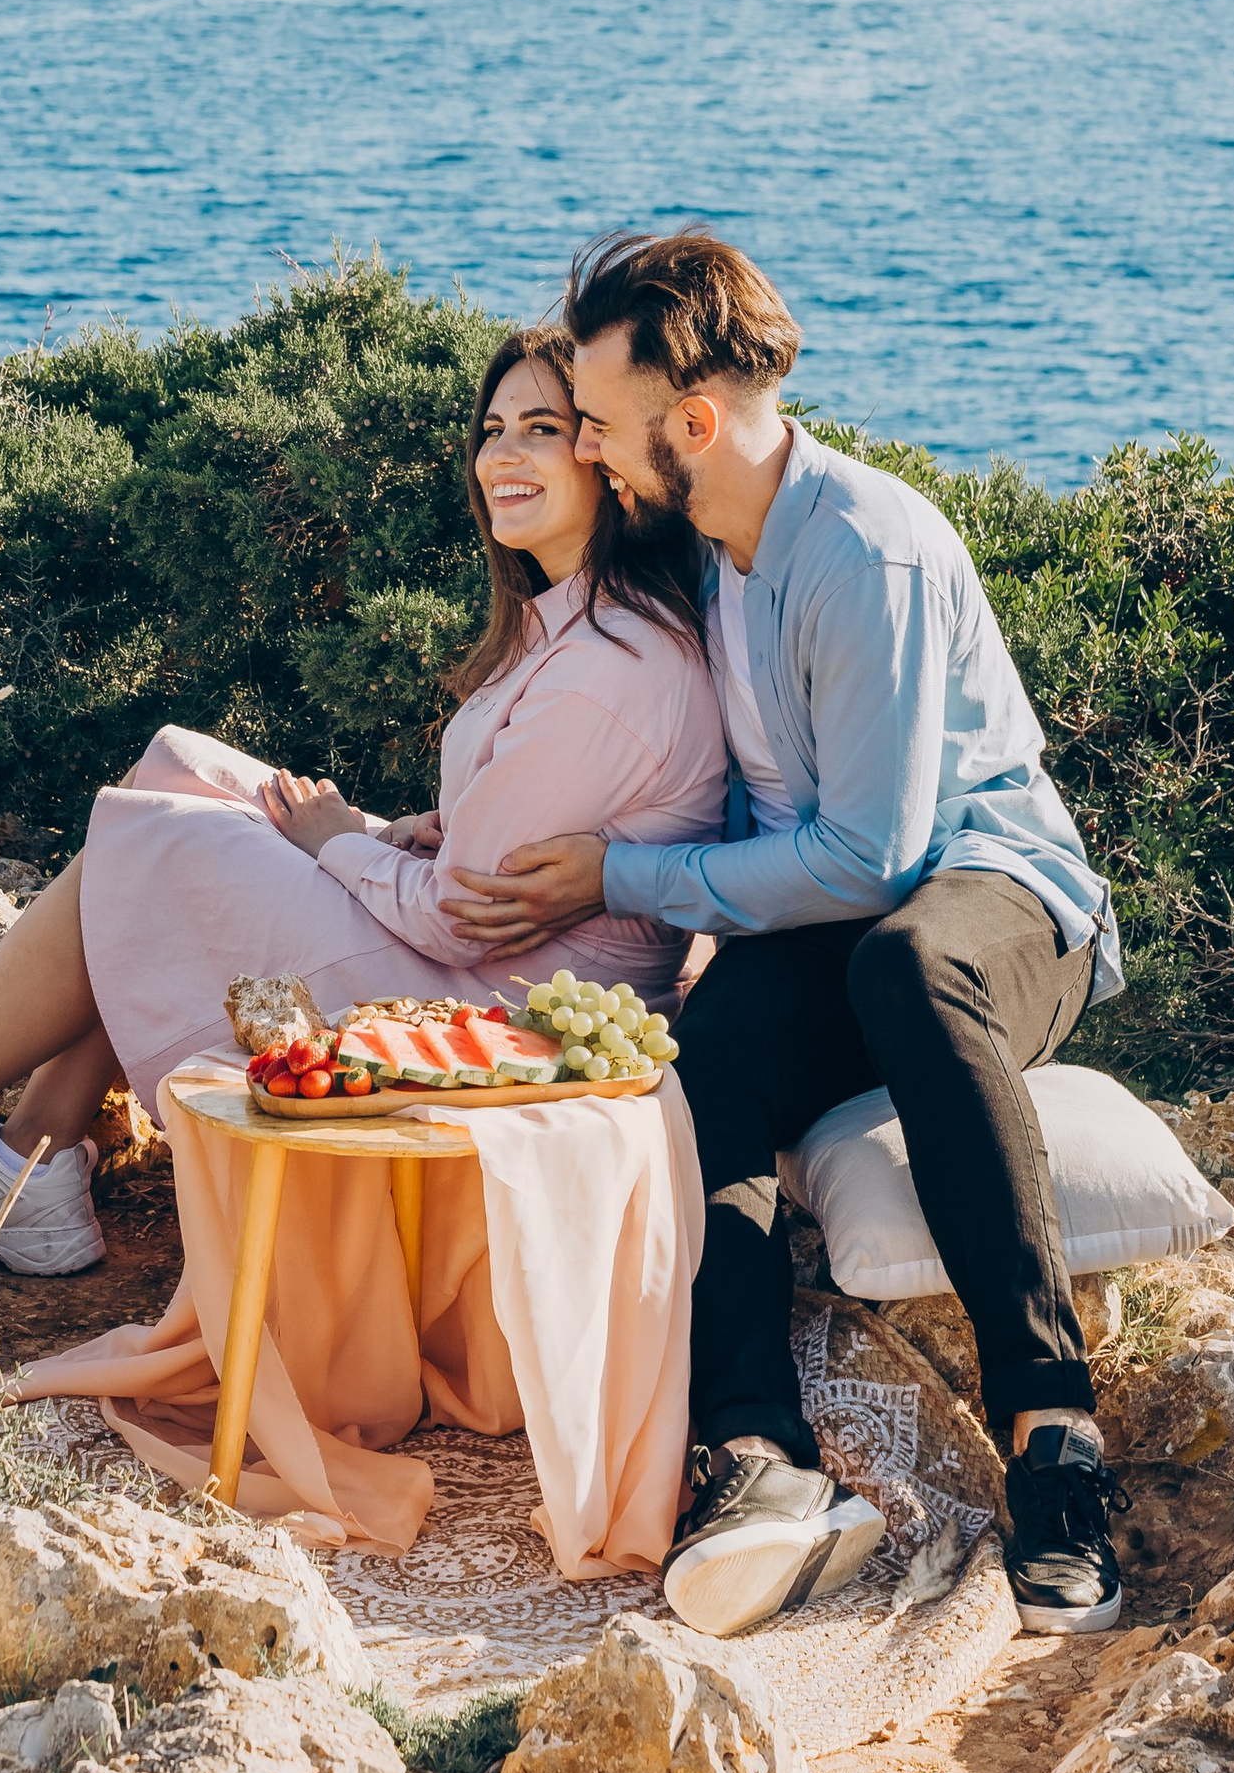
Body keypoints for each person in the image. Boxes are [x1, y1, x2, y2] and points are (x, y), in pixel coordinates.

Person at [448, 231, 1126, 1642]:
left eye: (601, 426)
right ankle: (759, 1455)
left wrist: (627, 879)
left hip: (996, 897)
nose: (590, 450)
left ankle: (1054, 1440)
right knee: (711, 1054)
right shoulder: (710, 545)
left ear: (695, 424)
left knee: (908, 965)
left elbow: (877, 857)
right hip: (839, 916)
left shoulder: (864, 554)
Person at [0, 327, 728, 1278]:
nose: (502, 456)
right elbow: (495, 855)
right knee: (180, 773)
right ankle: (28, 1165)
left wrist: (342, 843)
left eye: (542, 429)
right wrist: (404, 835)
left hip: (498, 1012)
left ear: (606, 457)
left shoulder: (609, 665)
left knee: (156, 852)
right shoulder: (568, 626)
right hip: (484, 961)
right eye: (492, 429)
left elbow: (461, 921)